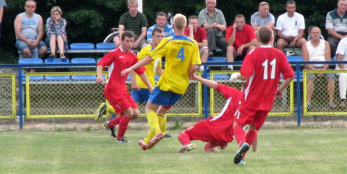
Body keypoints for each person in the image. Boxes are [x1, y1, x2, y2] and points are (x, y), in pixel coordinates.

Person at [121, 14, 201, 150]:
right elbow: (194, 67)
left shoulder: (168, 41)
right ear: (186, 26)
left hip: (167, 83)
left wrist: (131, 67)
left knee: (149, 109)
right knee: (161, 112)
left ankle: (158, 132)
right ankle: (147, 141)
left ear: (173, 26)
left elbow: (149, 58)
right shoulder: (193, 43)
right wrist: (188, 75)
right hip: (182, 85)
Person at [232, 26, 294, 165]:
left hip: (252, 98)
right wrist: (280, 89)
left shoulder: (253, 53)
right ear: (272, 38)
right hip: (267, 99)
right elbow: (290, 76)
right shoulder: (279, 54)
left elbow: (244, 75)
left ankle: (242, 143)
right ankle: (241, 158)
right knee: (253, 128)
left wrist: (236, 75)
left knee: (237, 124)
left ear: (258, 39)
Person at [96, 31, 153, 143]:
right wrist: (99, 76)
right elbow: (100, 64)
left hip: (123, 89)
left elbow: (141, 72)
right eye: (127, 41)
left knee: (135, 114)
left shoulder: (132, 56)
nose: (129, 44)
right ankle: (120, 138)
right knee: (129, 113)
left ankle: (111, 124)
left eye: (131, 41)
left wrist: (150, 87)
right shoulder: (114, 53)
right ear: (121, 41)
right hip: (112, 89)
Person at [178, 74, 243, 153]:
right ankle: (217, 147)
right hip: (228, 133)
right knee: (218, 143)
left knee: (184, 134)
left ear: (242, 88)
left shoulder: (235, 93)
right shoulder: (252, 103)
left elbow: (215, 85)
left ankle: (187, 144)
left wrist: (197, 78)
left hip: (214, 125)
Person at [301, 26, 336, 109]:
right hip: (310, 68)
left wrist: (323, 70)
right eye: (314, 33)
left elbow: (328, 59)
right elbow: (306, 61)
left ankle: (331, 101)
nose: (316, 34)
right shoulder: (305, 45)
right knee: (310, 79)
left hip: (324, 67)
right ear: (310, 34)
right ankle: (308, 103)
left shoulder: (325, 43)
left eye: (317, 33)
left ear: (320, 34)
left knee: (331, 78)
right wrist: (315, 71)